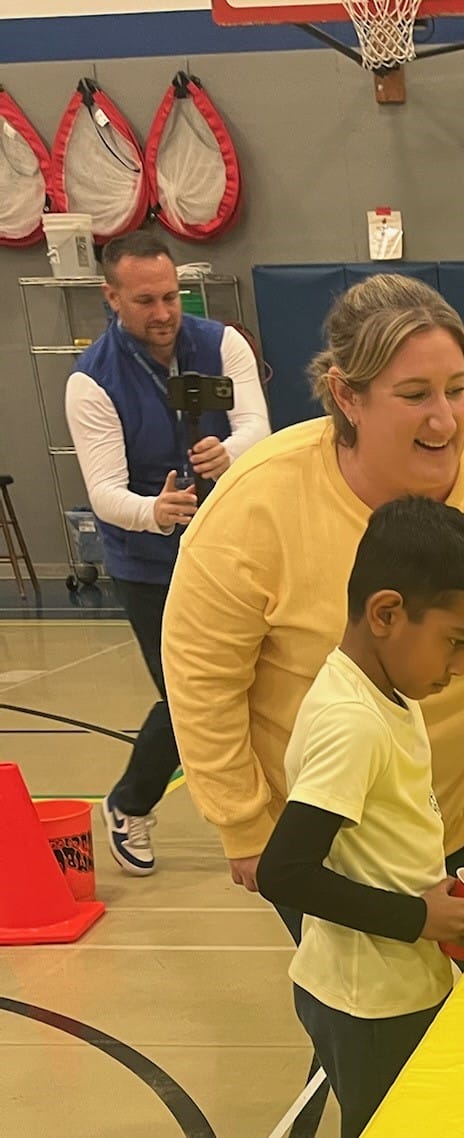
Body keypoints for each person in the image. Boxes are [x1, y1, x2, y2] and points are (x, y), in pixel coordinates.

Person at [162, 274, 464, 1135]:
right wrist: (242, 822)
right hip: (328, 834)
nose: (445, 418)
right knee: (372, 1015)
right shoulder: (259, 502)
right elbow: (200, 678)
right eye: (415, 394)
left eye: (457, 389)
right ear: (345, 396)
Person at [258, 496, 464, 1138]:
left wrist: (435, 894)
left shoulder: (380, 692)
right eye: (455, 643)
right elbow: (284, 872)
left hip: (390, 983)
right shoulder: (354, 722)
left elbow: (377, 839)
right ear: (387, 613)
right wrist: (417, 916)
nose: (460, 667)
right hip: (370, 1002)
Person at [64, 229, 269, 876]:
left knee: (260, 676)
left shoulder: (221, 344)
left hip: (232, 546)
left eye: (171, 296)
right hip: (150, 564)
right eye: (146, 300)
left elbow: (256, 428)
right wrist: (155, 513)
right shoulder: (90, 382)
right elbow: (104, 492)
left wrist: (228, 453)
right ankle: (129, 804)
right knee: (191, 697)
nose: (163, 313)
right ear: (112, 297)